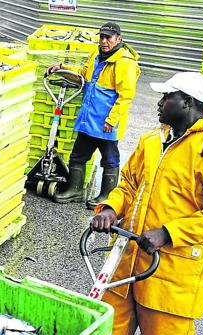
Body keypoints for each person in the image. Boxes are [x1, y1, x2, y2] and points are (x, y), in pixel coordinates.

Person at [91, 72, 203, 335]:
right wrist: (111, 207)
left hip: (171, 274)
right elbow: (130, 184)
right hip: (124, 264)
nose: (160, 103)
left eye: (167, 97)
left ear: (188, 103)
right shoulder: (152, 140)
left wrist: (169, 233)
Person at [46, 22, 140, 208]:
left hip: (106, 123)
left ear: (119, 39)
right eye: (102, 37)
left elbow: (126, 96)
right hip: (89, 119)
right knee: (78, 156)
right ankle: (75, 190)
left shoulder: (124, 63)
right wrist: (62, 68)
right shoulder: (96, 56)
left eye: (109, 38)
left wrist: (111, 120)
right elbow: (83, 77)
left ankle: (106, 196)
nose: (104, 41)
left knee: (110, 159)